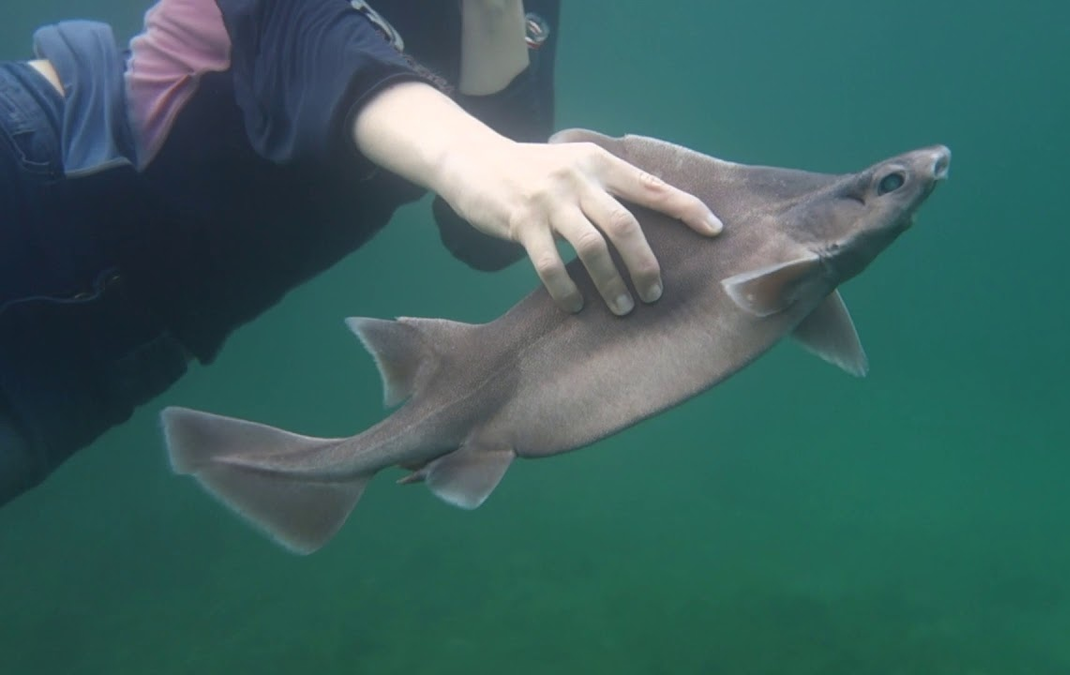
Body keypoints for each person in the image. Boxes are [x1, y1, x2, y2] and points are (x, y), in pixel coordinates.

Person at [0, 0, 723, 505]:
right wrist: (476, 158)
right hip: (47, 171)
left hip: (125, 339)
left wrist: (497, 21)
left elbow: (481, 235)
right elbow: (298, 29)